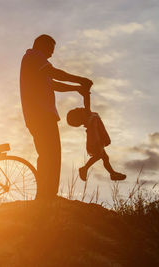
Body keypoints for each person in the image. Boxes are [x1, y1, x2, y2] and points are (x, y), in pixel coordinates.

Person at [20, 34, 93, 200]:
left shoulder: (34, 63)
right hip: (41, 114)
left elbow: (52, 84)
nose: (52, 54)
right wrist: (81, 80)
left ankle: (45, 194)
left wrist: (76, 88)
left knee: (48, 154)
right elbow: (54, 73)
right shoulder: (34, 56)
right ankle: (46, 196)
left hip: (38, 115)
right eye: (51, 49)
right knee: (50, 155)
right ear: (42, 46)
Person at [66, 107, 126, 181]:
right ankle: (85, 168)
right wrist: (86, 95)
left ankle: (112, 173)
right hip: (95, 135)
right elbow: (87, 101)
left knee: (105, 158)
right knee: (99, 155)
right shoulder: (88, 114)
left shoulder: (88, 114)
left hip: (97, 135)